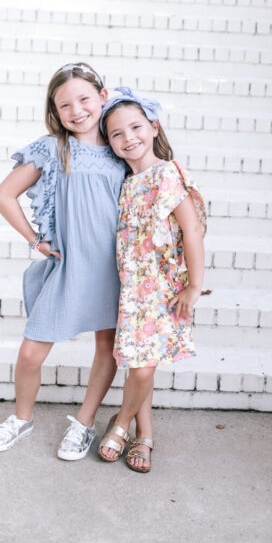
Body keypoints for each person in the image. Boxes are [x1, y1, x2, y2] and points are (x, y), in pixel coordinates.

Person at [0, 62, 126, 460]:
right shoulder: (53, 148)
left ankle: (84, 423)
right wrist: (34, 240)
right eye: (65, 105)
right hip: (67, 267)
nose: (77, 111)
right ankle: (21, 418)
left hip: (112, 269)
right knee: (31, 352)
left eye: (84, 99)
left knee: (107, 347)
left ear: (102, 96)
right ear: (55, 111)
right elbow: (3, 195)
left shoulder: (120, 147)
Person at [97, 87, 206, 473]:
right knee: (139, 363)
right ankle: (146, 434)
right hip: (131, 289)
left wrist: (193, 286)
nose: (129, 138)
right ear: (110, 143)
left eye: (136, 127)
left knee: (143, 367)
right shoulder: (126, 184)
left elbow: (191, 229)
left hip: (161, 289)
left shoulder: (166, 174)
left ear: (154, 127)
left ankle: (121, 422)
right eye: (117, 134)